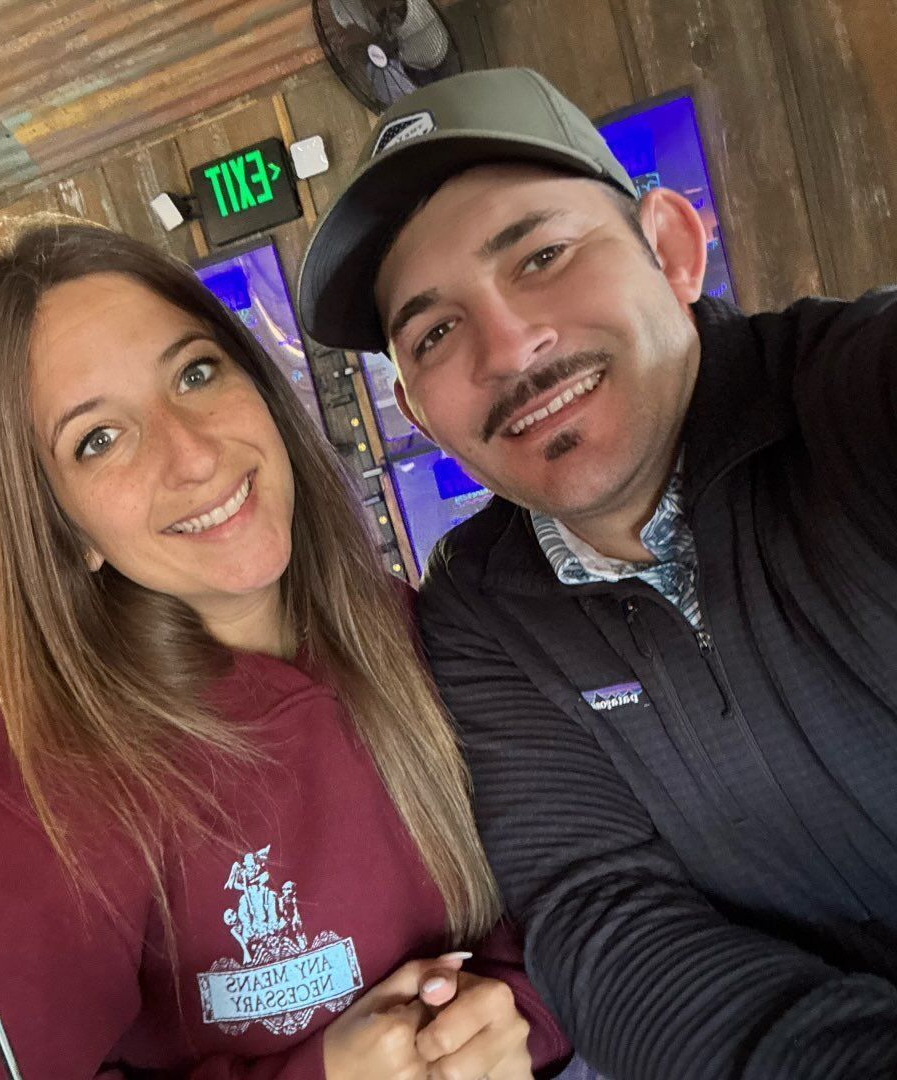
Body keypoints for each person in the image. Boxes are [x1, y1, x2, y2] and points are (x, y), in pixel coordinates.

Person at [298, 66, 897, 1080]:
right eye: (436, 331)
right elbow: (603, 918)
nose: (508, 347)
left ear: (670, 247)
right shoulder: (482, 616)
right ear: (418, 410)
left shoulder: (855, 395)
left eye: (542, 255)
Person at [0, 221, 569, 1078]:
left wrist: (519, 1018)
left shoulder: (439, 637)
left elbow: (590, 902)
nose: (194, 455)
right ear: (59, 525)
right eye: (99, 438)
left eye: (196, 373)